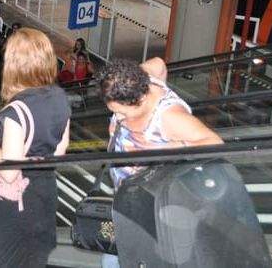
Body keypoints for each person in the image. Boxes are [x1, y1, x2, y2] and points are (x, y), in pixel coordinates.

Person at [95, 58, 224, 267]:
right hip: (129, 198)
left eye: (122, 112)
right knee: (113, 257)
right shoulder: (140, 79)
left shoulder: (169, 118)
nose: (117, 117)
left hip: (153, 205)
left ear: (141, 99)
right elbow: (159, 63)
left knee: (122, 259)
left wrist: (159, 152)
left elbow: (215, 143)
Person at [0, 28, 71, 267]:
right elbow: (59, 151)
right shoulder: (59, 97)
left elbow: (10, 173)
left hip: (12, 205)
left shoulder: (16, 113)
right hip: (43, 194)